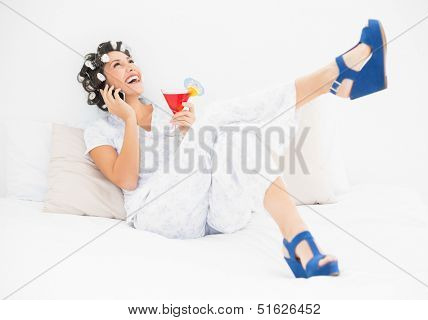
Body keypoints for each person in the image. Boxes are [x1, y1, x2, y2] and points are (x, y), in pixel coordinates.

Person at [78, 19, 387, 278]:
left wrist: (189, 132)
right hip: (157, 214)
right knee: (217, 118)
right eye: (118, 65)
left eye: (130, 60)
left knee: (239, 135)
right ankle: (335, 78)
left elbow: (195, 169)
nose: (131, 66)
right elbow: (127, 180)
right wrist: (129, 120)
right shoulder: (99, 131)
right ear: (101, 83)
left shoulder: (164, 113)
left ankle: (301, 246)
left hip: (213, 216)